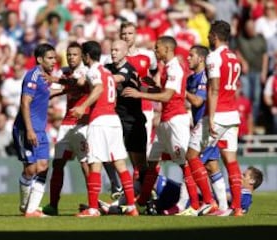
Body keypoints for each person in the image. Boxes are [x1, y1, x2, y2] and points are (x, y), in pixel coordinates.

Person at [71, 40, 138, 217]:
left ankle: (93, 209)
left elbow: (99, 88)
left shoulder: (93, 70)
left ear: (86, 56)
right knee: (120, 163)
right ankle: (131, 207)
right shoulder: (107, 72)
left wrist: (82, 106)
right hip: (113, 119)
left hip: (99, 120)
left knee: (95, 163)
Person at [122, 36, 190, 209]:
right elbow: (165, 92)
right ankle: (143, 200)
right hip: (165, 120)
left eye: (157, 48)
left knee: (185, 163)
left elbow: (167, 96)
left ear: (167, 49)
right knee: (152, 161)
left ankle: (186, 204)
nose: (155, 50)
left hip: (176, 120)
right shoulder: (166, 67)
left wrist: (140, 94)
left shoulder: (175, 67)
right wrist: (147, 87)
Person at [42, 41, 90, 216]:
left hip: (82, 124)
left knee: (86, 164)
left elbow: (76, 83)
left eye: (75, 54)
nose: (71, 57)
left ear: (82, 56)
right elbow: (62, 87)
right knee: (58, 164)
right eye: (69, 54)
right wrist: (50, 94)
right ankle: (53, 205)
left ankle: (93, 205)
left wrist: (55, 81)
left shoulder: (85, 71)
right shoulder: (64, 72)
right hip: (66, 124)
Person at [99, 166, 263, 216]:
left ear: (252, 181)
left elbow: (232, 210)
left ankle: (112, 207)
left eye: (244, 175)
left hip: (191, 202)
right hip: (190, 198)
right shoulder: (236, 192)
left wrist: (202, 209)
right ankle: (111, 207)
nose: (239, 176)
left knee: (149, 179)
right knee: (147, 181)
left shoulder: (245, 197)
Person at [170, 45, 218, 216]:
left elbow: (198, 101)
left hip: (208, 124)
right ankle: (219, 206)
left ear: (201, 58)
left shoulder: (205, 76)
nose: (188, 58)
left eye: (192, 55)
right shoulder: (191, 79)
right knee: (210, 166)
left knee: (192, 162)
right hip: (198, 124)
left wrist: (180, 90)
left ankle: (201, 203)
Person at [12, 43, 56, 218]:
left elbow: (43, 95)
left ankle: (31, 210)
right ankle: (25, 204)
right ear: (40, 59)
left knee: (44, 166)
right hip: (26, 128)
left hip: (41, 128)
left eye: (54, 58)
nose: (54, 61)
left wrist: (62, 91)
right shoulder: (33, 75)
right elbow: (25, 102)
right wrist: (29, 130)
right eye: (50, 58)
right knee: (31, 170)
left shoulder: (46, 77)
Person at [204, 20, 243, 216]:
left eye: (210, 34)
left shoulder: (213, 57)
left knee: (195, 157)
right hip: (232, 114)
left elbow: (214, 88)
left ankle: (205, 203)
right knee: (231, 161)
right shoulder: (234, 57)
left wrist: (210, 118)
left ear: (214, 36)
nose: (208, 37)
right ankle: (237, 208)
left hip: (218, 114)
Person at [104, 39, 147, 199]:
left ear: (125, 52)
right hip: (115, 120)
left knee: (139, 163)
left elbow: (116, 79)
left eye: (117, 50)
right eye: (112, 50)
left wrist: (97, 76)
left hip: (132, 121)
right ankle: (116, 186)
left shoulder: (129, 69)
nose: (113, 52)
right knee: (106, 152)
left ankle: (147, 193)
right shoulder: (107, 68)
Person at [119, 21, 158, 189]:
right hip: (124, 109)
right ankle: (139, 189)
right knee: (129, 149)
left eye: (130, 33)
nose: (127, 36)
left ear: (136, 35)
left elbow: (154, 75)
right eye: (124, 34)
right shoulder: (115, 56)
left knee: (143, 149)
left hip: (144, 107)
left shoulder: (147, 56)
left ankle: (145, 189)